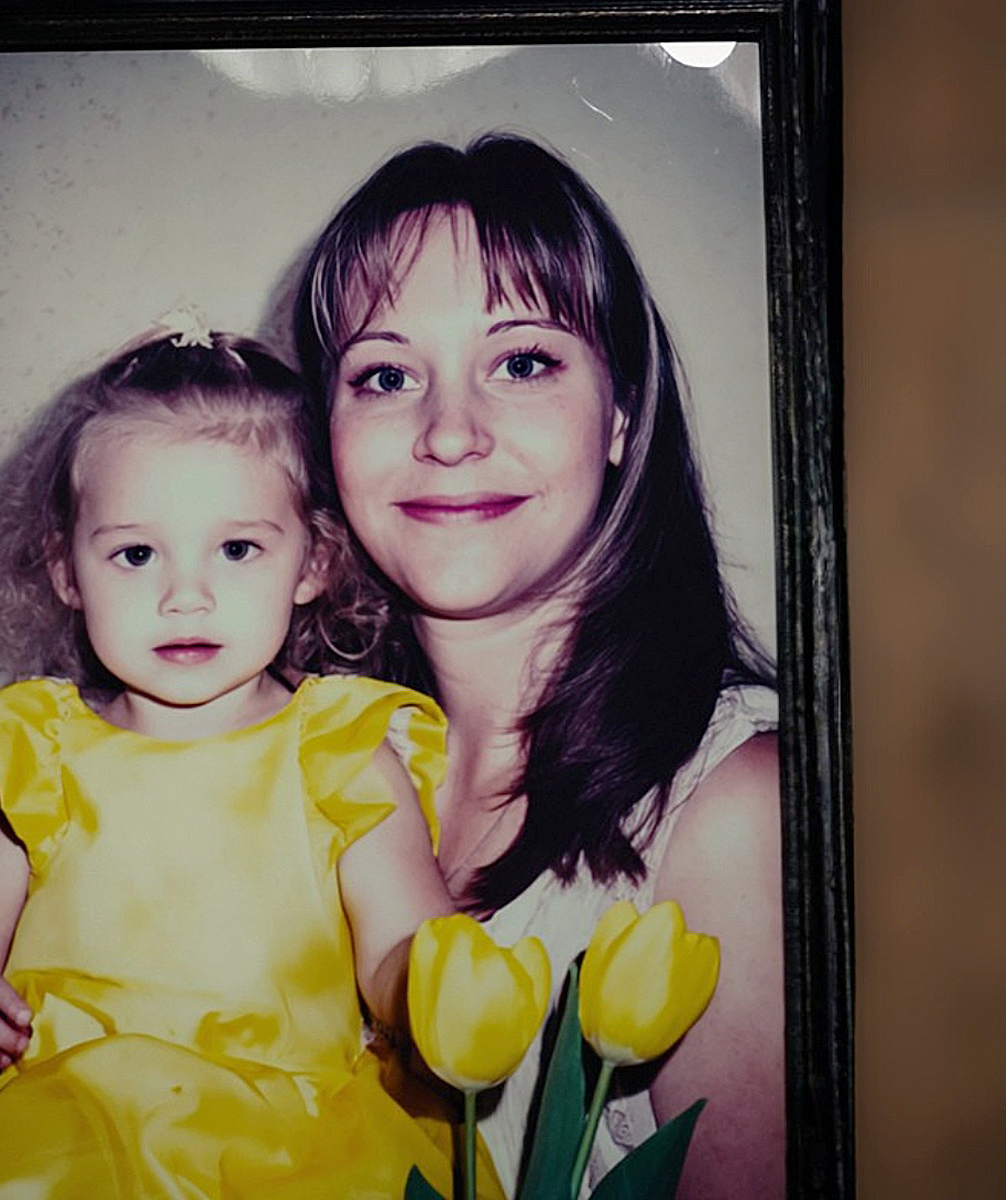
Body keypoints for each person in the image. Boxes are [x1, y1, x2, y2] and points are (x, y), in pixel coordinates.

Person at [0, 322, 481, 1199]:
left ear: (313, 560)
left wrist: (437, 993)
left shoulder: (342, 751)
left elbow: (399, 953)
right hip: (62, 1136)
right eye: (135, 553)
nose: (184, 593)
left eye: (237, 549)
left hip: (295, 1146)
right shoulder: (35, 758)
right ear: (67, 572)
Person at [294, 134, 786, 1199]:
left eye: (522, 363)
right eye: (385, 374)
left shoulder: (731, 816)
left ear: (618, 414)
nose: (450, 432)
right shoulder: (311, 765)